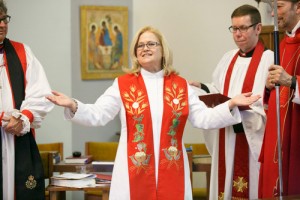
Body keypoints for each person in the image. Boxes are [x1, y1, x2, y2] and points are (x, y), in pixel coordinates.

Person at [47, 26, 261, 200]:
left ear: (162, 49)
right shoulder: (123, 84)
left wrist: (231, 103)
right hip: (132, 173)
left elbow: (203, 118)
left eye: (151, 43)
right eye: (140, 45)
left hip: (172, 169)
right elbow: (99, 113)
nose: (145, 48)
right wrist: (73, 104)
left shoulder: (180, 85)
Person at [190, 5, 273, 199]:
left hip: (250, 137)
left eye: (243, 28)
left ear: (258, 28)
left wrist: (241, 110)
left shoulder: (269, 60)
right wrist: (202, 87)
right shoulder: (228, 58)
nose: (237, 34)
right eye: (234, 29)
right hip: (225, 137)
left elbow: (270, 103)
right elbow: (219, 91)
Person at [0, 1, 54, 200]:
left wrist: (24, 117)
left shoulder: (23, 52)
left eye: (4, 19)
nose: (2, 25)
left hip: (17, 137)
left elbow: (41, 93)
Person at [258, 0, 300, 198]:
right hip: (278, 137)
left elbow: (289, 82)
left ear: (298, 6)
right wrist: (269, 88)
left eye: (279, 7)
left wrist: (291, 81)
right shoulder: (282, 44)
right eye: (271, 9)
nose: (273, 14)